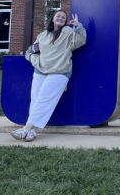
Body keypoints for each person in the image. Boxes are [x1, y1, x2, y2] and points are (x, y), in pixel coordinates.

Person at [11, 10, 86, 141]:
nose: (61, 18)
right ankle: (32, 132)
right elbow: (31, 52)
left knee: (45, 100)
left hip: (59, 73)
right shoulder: (42, 35)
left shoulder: (68, 32)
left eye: (63, 17)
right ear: (52, 19)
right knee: (35, 101)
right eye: (58, 16)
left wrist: (77, 27)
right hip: (40, 72)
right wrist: (37, 62)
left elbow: (80, 41)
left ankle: (25, 129)